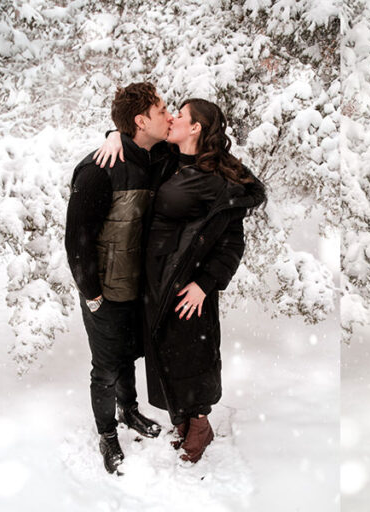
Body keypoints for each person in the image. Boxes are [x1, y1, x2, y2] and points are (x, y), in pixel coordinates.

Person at [95, 98, 266, 463]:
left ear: (196, 128)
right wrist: (113, 135)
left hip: (189, 282)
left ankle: (200, 422)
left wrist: (207, 283)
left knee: (192, 351)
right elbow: (135, 145)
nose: (171, 118)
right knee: (165, 352)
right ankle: (181, 417)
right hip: (155, 278)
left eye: (180, 115)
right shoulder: (169, 159)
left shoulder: (218, 179)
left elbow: (232, 241)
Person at [65, 82, 172, 474]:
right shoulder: (97, 169)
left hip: (139, 287)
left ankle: (129, 411)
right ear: (142, 120)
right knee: (106, 367)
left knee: (129, 355)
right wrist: (92, 294)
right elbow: (76, 240)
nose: (169, 114)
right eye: (162, 110)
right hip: (105, 291)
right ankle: (107, 434)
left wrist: (116, 134)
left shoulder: (156, 157)